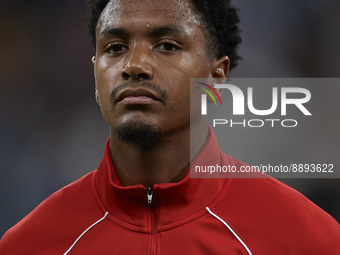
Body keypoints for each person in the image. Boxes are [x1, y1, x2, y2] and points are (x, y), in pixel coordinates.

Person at [0, 0, 339, 254]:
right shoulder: (29, 244)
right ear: (94, 71)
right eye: (115, 48)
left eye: (166, 46)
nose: (134, 66)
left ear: (217, 75)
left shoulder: (307, 238)